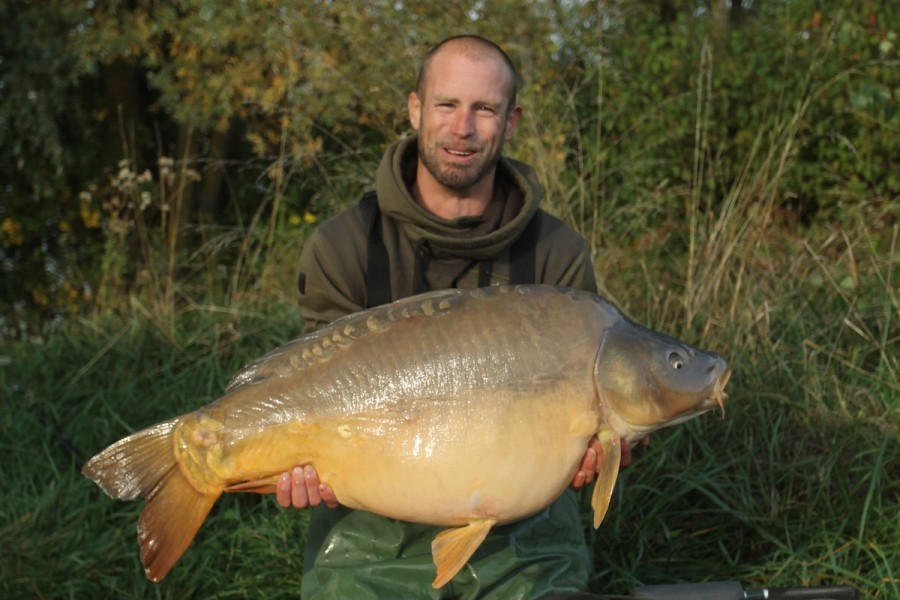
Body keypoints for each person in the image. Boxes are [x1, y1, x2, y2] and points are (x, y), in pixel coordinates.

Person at [278, 34, 643, 599]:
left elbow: (600, 412)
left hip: (524, 540)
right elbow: (311, 393)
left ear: (511, 121)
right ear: (415, 109)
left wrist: (607, 450)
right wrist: (300, 467)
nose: (463, 127)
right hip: (370, 532)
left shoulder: (555, 253)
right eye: (447, 105)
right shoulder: (345, 245)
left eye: (484, 109)